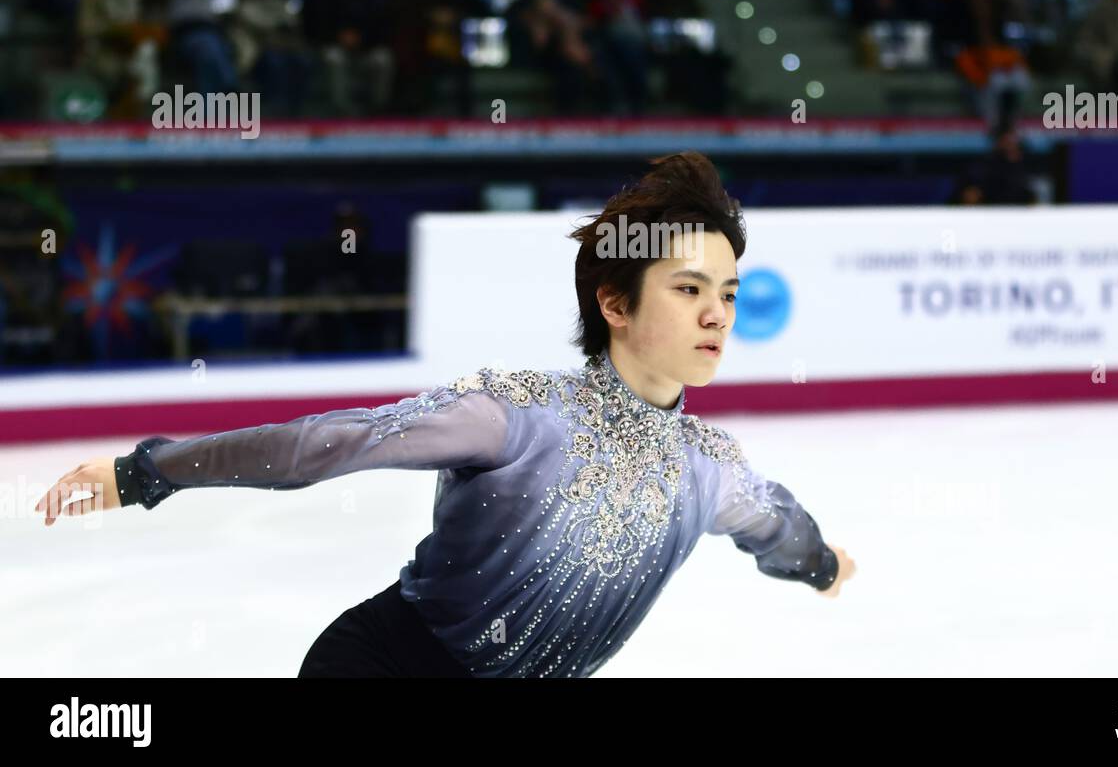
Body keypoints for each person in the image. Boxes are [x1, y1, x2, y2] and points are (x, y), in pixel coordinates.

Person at [35, 152, 856, 678]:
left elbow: (777, 525)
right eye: (688, 289)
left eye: (729, 293)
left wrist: (819, 564)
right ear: (614, 300)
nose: (718, 315)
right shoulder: (520, 417)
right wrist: (146, 470)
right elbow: (329, 445)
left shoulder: (711, 468)